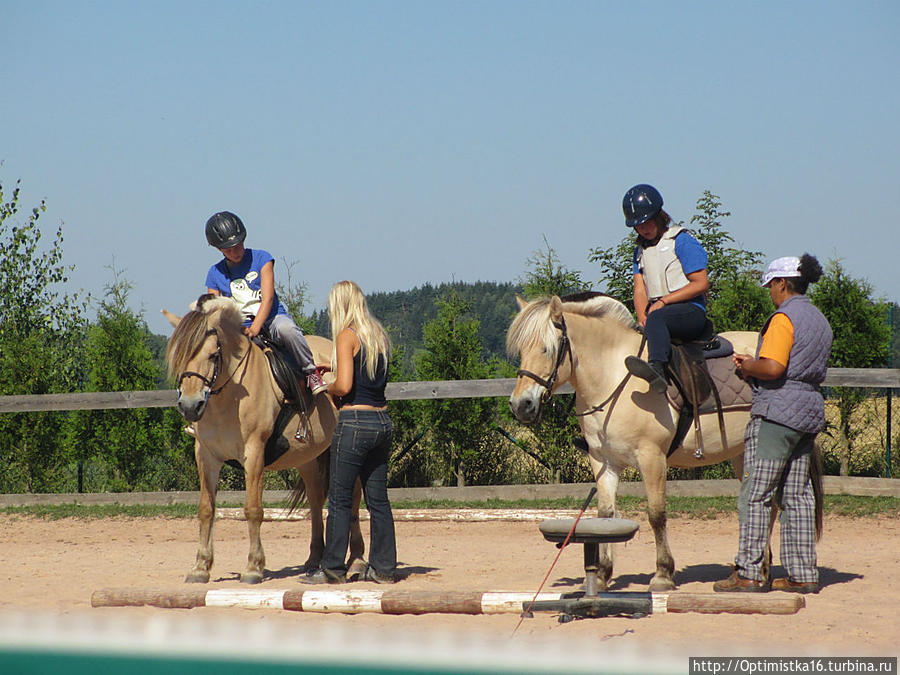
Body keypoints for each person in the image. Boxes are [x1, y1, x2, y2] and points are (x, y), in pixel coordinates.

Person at [714, 254, 832, 594]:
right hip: (808, 413)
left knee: (756, 494)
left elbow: (775, 368)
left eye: (771, 286)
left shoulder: (784, 318)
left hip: (777, 414)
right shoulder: (819, 319)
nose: (770, 292)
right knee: (797, 496)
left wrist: (749, 366)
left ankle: (749, 572)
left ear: (783, 283)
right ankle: (802, 574)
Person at [299, 280, 398, 585]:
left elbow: (344, 387)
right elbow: (364, 378)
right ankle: (383, 569)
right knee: (378, 500)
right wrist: (332, 366)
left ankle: (332, 568)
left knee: (340, 500)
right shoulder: (378, 335)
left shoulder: (346, 335)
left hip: (354, 423)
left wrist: (322, 383)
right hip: (382, 421)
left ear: (339, 305)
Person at [203, 211, 327, 412]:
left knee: (288, 330)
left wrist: (256, 327)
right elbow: (214, 311)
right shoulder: (214, 273)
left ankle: (310, 371)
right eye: (230, 249)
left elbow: (268, 297)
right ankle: (205, 406)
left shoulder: (262, 258)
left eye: (239, 245)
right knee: (208, 355)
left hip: (270, 318)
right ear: (218, 249)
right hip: (238, 330)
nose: (236, 251)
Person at [621, 184, 710, 393]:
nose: (644, 227)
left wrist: (663, 302)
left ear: (659, 215)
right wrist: (642, 317)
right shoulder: (639, 252)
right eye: (638, 224)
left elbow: (701, 283)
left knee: (658, 318)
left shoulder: (681, 241)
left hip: (690, 311)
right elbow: (640, 289)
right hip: (658, 313)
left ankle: (657, 370)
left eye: (648, 220)